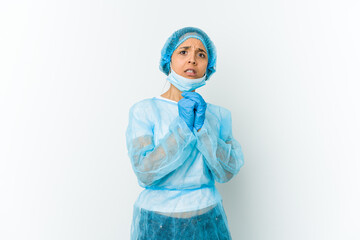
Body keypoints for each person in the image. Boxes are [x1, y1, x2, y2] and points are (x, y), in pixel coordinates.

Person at [125, 26, 244, 240]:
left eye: (201, 54)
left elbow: (226, 172)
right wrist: (182, 128)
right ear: (168, 60)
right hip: (156, 223)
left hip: (208, 219)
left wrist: (202, 129)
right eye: (183, 52)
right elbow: (145, 172)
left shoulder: (218, 115)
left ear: (209, 65)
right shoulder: (144, 111)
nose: (192, 60)